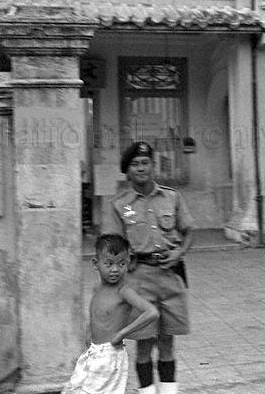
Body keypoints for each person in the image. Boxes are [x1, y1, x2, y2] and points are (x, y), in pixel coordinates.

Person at [103, 141, 194, 394]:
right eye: (135, 164)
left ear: (154, 167)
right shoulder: (119, 205)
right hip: (138, 280)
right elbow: (111, 246)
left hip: (170, 277)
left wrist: (179, 252)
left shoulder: (172, 197)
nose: (141, 168)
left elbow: (188, 232)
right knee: (144, 344)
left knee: (167, 342)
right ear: (127, 171)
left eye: (145, 163)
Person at [63, 234, 159, 394]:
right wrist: (88, 333)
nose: (115, 269)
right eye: (109, 264)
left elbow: (152, 312)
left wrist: (123, 332)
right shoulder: (97, 289)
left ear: (127, 263)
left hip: (110, 354)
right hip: (94, 352)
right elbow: (95, 314)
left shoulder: (124, 291)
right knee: (77, 388)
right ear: (96, 264)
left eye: (121, 264)